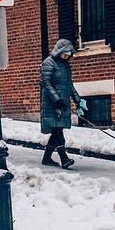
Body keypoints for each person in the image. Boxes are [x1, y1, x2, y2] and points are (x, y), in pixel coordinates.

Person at [39, 38, 85, 168]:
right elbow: (46, 84)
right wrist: (56, 100)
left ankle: (47, 158)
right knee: (58, 132)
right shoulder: (48, 63)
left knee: (57, 131)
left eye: (69, 54)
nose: (67, 56)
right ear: (59, 51)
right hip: (52, 104)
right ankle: (64, 158)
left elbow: (69, 85)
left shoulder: (65, 66)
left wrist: (78, 101)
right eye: (65, 53)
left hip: (63, 103)